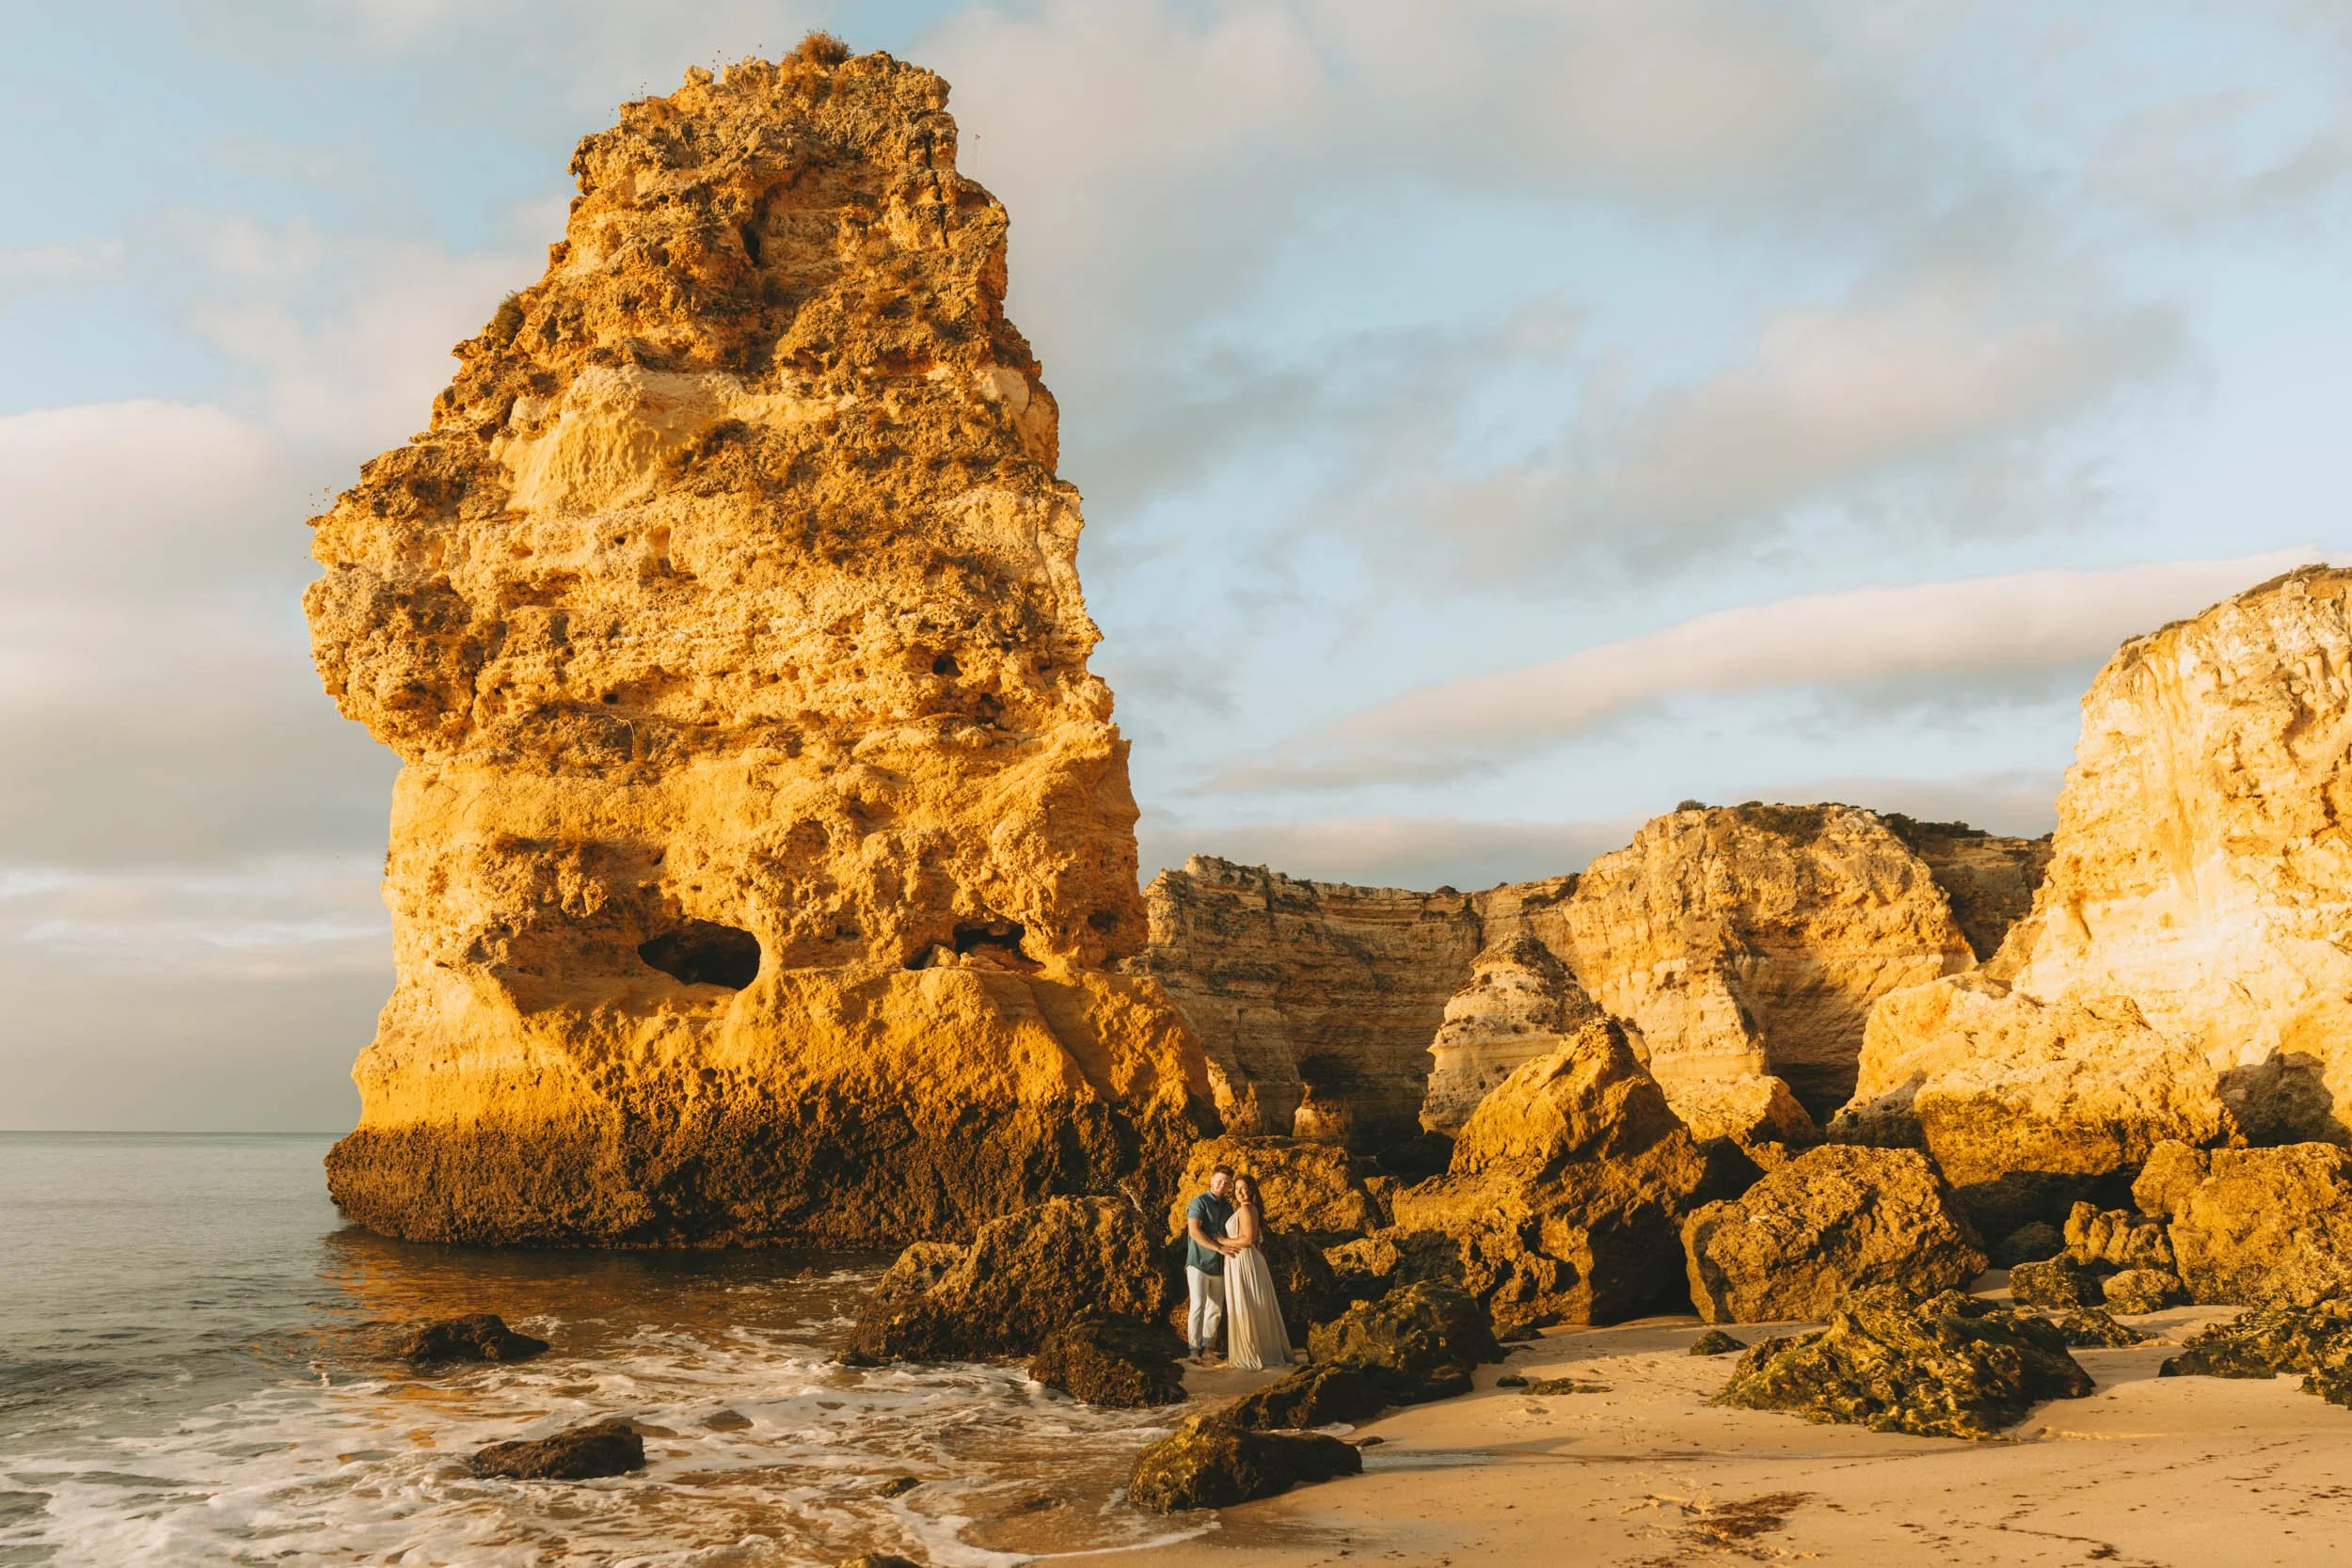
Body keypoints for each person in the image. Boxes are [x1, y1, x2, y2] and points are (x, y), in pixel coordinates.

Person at [1220, 1173, 1294, 1371]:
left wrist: (1222, 1241)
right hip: (1243, 1260)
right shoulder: (1245, 1209)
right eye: (1236, 1189)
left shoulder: (1247, 1209)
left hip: (1244, 1259)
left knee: (1250, 1304)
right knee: (1252, 1303)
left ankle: (1255, 1352)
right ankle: (1260, 1350)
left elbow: (1248, 1240)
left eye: (1244, 1188)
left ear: (1252, 1190)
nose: (1240, 1193)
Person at [1183, 1165, 1236, 1365]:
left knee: (1215, 1308)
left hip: (1220, 1266)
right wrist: (1218, 1247)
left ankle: (1208, 1349)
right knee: (1198, 1305)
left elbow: (1230, 1233)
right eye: (1219, 1180)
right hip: (1198, 1262)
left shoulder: (1228, 1206)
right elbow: (1194, 1232)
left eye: (1226, 1182)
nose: (1222, 1185)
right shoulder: (1199, 1202)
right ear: (1211, 1179)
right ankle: (1193, 1350)